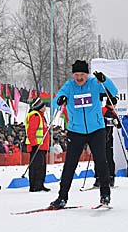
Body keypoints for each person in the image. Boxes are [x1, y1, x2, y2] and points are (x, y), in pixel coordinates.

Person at [49, 60, 118, 209]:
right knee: (70, 165)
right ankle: (62, 197)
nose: (79, 78)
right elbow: (56, 101)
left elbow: (113, 92)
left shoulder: (94, 83)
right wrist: (60, 100)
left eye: (82, 74)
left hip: (97, 129)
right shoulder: (69, 86)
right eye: (76, 74)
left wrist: (105, 79)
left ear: (87, 74)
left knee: (101, 161)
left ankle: (105, 194)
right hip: (76, 131)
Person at [94, 95, 121, 188]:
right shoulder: (105, 111)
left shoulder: (112, 113)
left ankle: (106, 178)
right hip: (102, 138)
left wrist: (116, 122)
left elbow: (119, 126)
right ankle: (103, 178)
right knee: (104, 158)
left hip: (105, 138)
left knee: (104, 158)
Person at [25, 97, 51, 192]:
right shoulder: (35, 116)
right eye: (43, 105)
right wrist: (34, 144)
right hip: (37, 146)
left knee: (42, 167)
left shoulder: (41, 116)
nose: (45, 107)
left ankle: (40, 184)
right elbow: (31, 132)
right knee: (37, 167)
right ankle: (35, 185)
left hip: (42, 146)